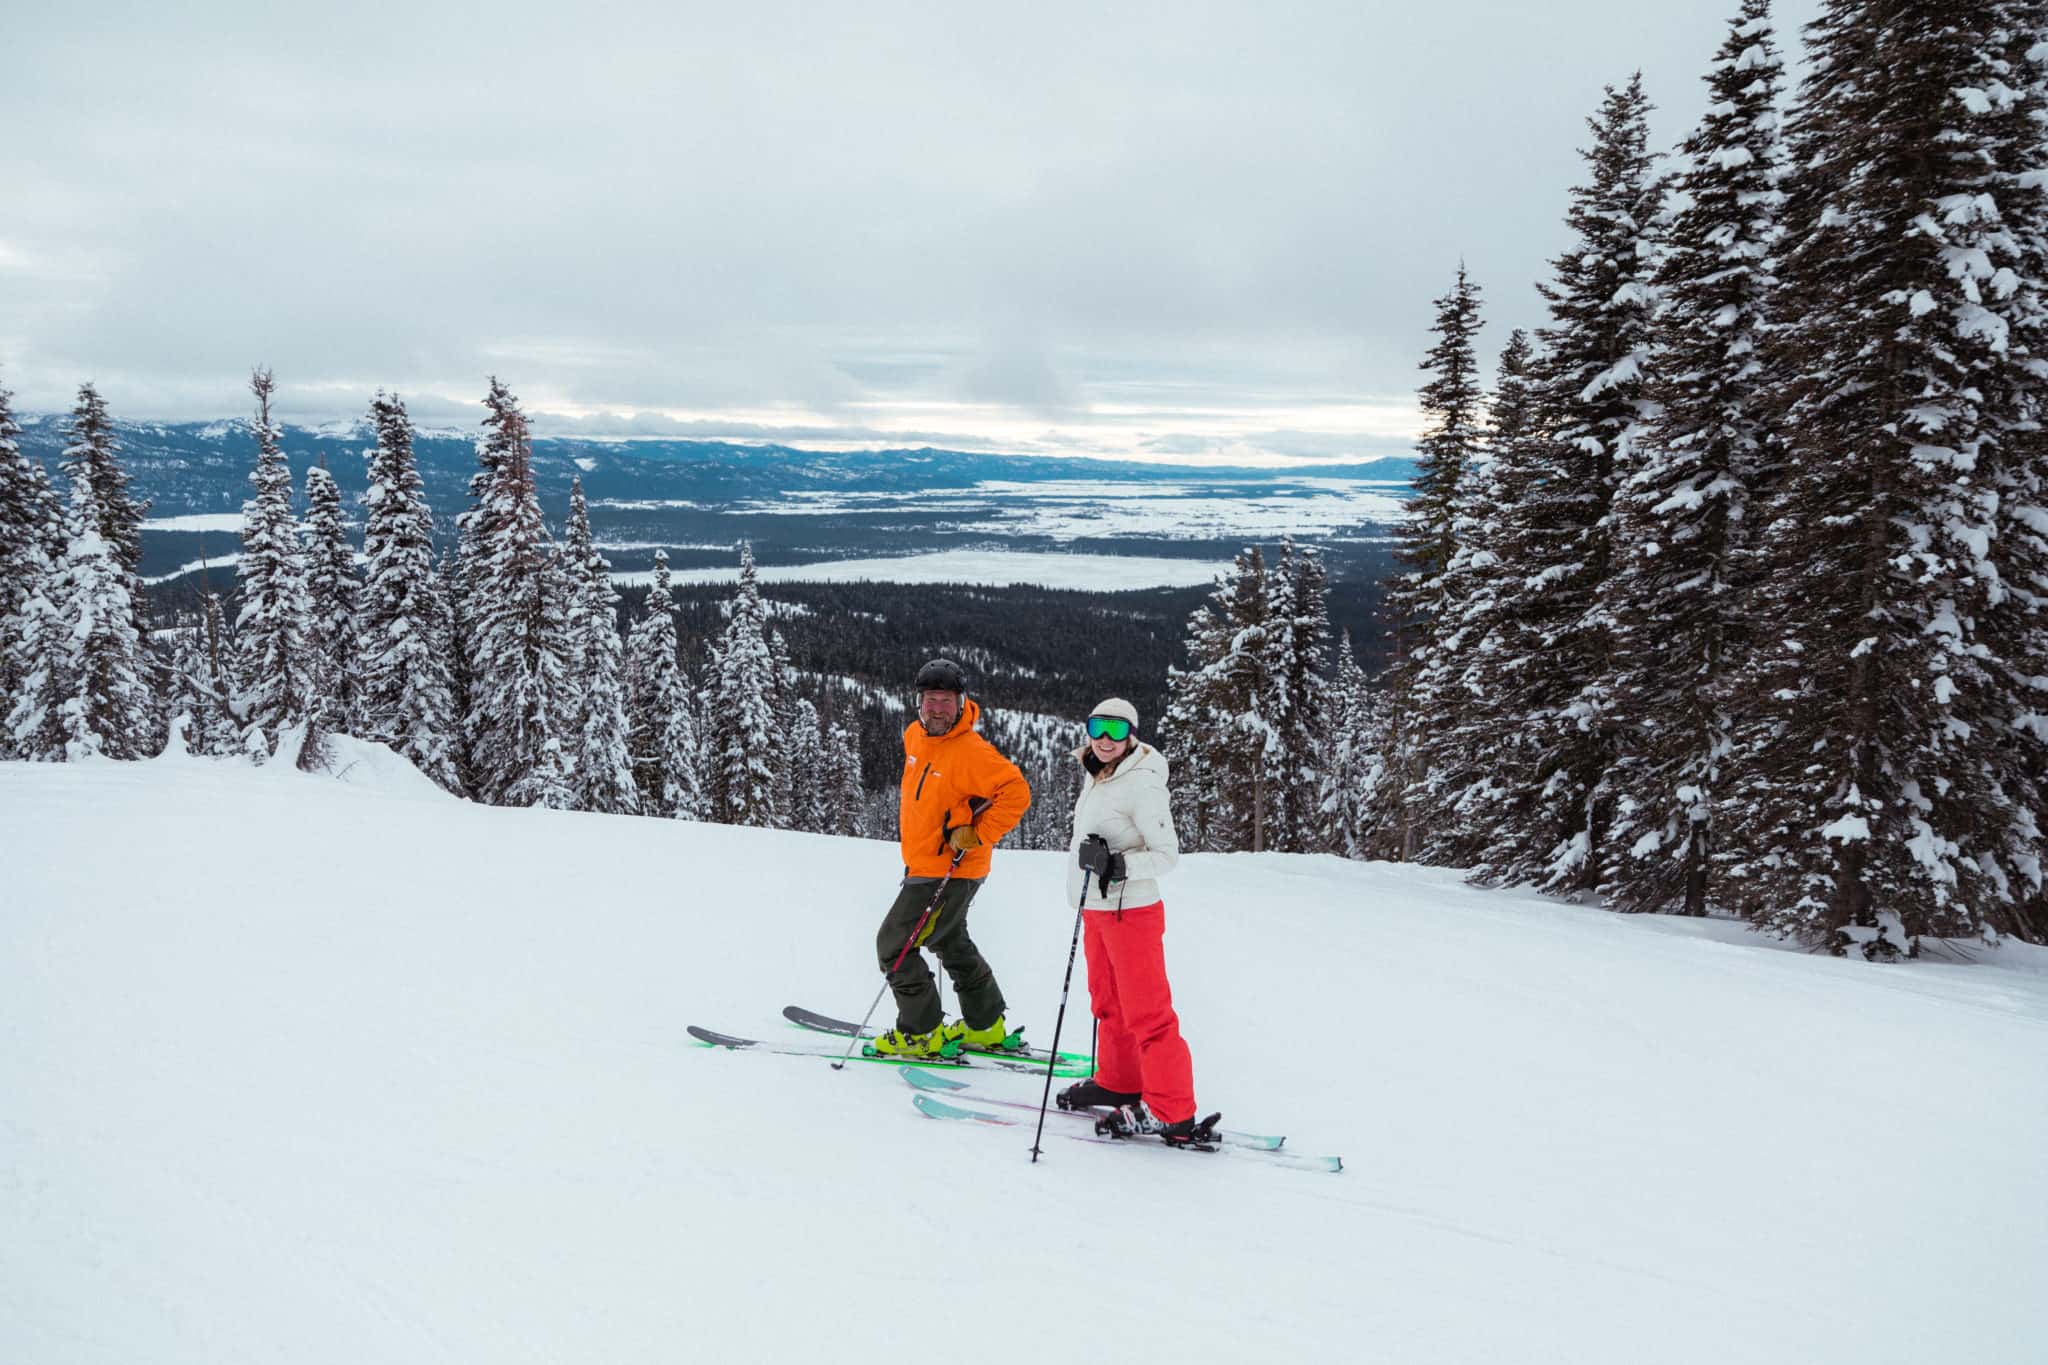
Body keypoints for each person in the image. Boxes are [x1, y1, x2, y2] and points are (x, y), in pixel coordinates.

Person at [1055, 698, 1216, 1144]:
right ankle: (1119, 1080)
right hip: (1098, 909)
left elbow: (1167, 856)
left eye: (1116, 729)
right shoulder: (1099, 775)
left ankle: (1172, 1110)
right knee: (1108, 1002)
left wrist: (1116, 864)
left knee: (1148, 1013)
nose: (1105, 738)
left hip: (1133, 912)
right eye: (1097, 726)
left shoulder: (1142, 783)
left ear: (1131, 735)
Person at [871, 658, 1033, 1057]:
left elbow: (1017, 791)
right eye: (930, 699)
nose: (937, 708)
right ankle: (985, 1024)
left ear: (962, 704)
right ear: (918, 702)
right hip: (923, 862)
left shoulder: (972, 752)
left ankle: (921, 1032)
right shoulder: (915, 736)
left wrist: (977, 834)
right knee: (949, 938)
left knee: (894, 946)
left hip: (948, 869)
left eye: (946, 700)